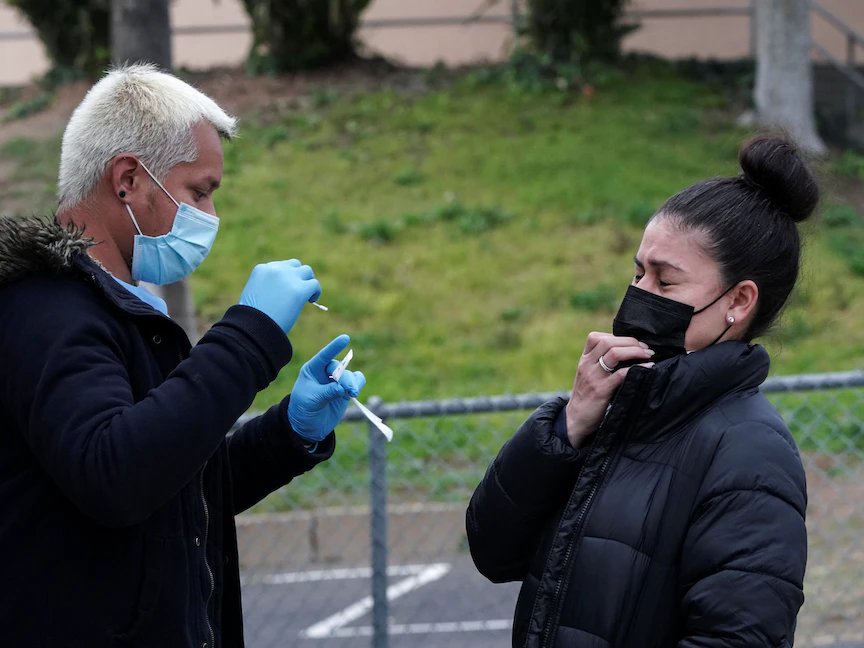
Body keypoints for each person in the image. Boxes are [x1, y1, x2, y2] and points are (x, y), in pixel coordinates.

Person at [0, 64, 366, 647]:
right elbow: (116, 475)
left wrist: (287, 433)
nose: (210, 217)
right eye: (199, 192)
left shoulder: (120, 312)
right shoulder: (47, 311)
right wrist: (247, 337)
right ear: (127, 180)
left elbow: (175, 493)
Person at [467, 135, 814, 648]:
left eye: (666, 283)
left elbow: (738, 637)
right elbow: (493, 552)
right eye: (637, 273)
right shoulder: (617, 410)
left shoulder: (751, 451)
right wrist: (569, 425)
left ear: (739, 301)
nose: (640, 295)